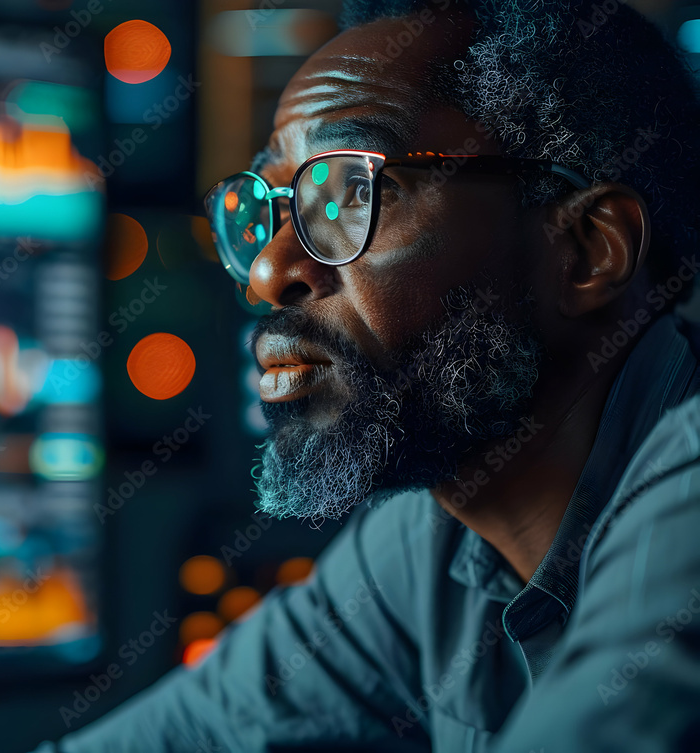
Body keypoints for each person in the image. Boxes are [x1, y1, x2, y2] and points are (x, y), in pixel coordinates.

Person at [35, 0, 700, 750]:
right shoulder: (429, 545)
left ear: (585, 248)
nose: (267, 271)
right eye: (267, 208)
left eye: (354, 191)